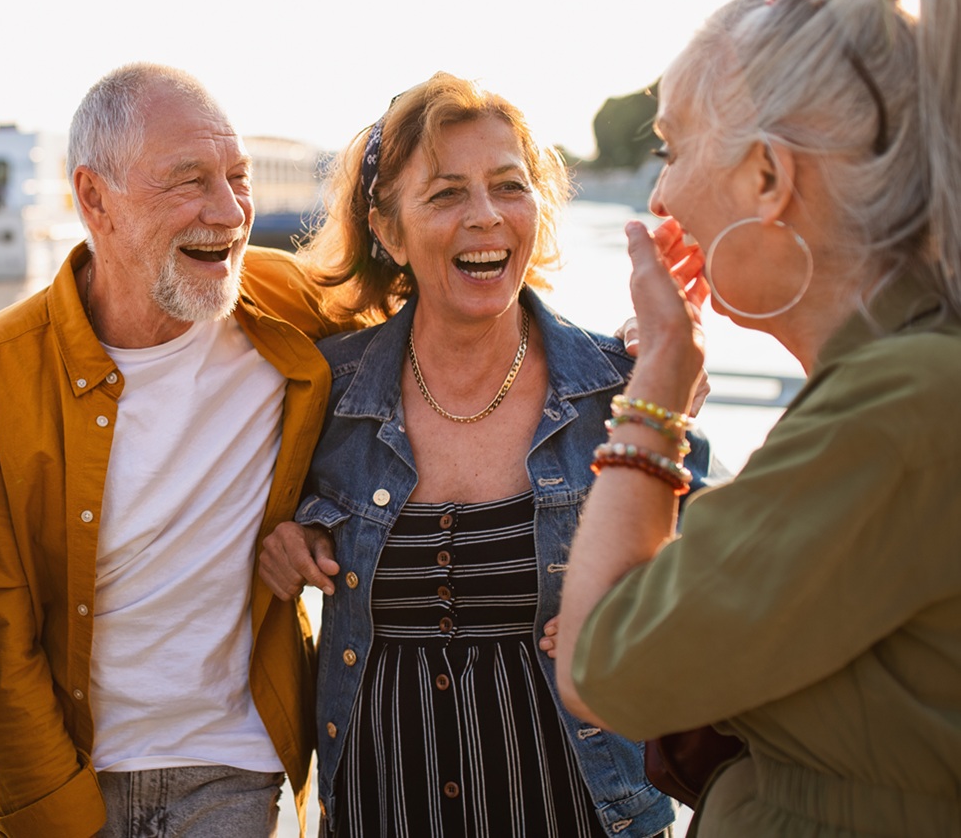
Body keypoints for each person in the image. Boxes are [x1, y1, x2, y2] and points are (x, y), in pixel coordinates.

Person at [556, 0, 961, 836]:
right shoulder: (900, 378)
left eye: (671, 147)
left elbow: (599, 666)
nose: (660, 198)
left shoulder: (900, 403)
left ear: (767, 179)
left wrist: (657, 386)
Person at [255, 73, 718, 837]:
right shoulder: (321, 393)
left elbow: (728, 593)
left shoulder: (624, 392)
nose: (485, 217)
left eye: (509, 186)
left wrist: (631, 617)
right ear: (387, 228)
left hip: (586, 819)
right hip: (378, 815)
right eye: (444, 195)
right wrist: (278, 544)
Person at [0, 63, 349, 837]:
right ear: (93, 199)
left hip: (231, 759)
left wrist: (319, 520)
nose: (227, 212)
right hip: (58, 768)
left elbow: (437, 333)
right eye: (187, 181)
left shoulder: (288, 308)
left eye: (236, 176)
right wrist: (58, 817)